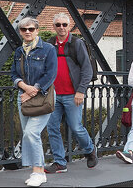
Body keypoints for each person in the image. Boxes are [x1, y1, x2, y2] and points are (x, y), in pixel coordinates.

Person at [43, 13, 97, 174]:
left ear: (69, 26)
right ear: (54, 27)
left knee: (76, 127)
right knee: (52, 127)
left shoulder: (76, 43)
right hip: (53, 95)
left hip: (72, 95)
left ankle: (89, 150)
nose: (61, 28)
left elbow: (87, 69)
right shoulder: (49, 44)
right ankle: (60, 162)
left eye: (64, 25)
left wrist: (80, 91)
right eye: (58, 25)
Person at [12, 17, 58, 188]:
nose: (28, 32)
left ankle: (39, 172)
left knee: (32, 133)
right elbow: (13, 74)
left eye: (31, 29)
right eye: (24, 29)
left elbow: (51, 74)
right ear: (20, 32)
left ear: (37, 30)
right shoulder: (19, 51)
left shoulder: (48, 49)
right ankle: (35, 171)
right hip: (23, 97)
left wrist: (33, 90)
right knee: (28, 135)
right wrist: (23, 86)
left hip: (42, 97)